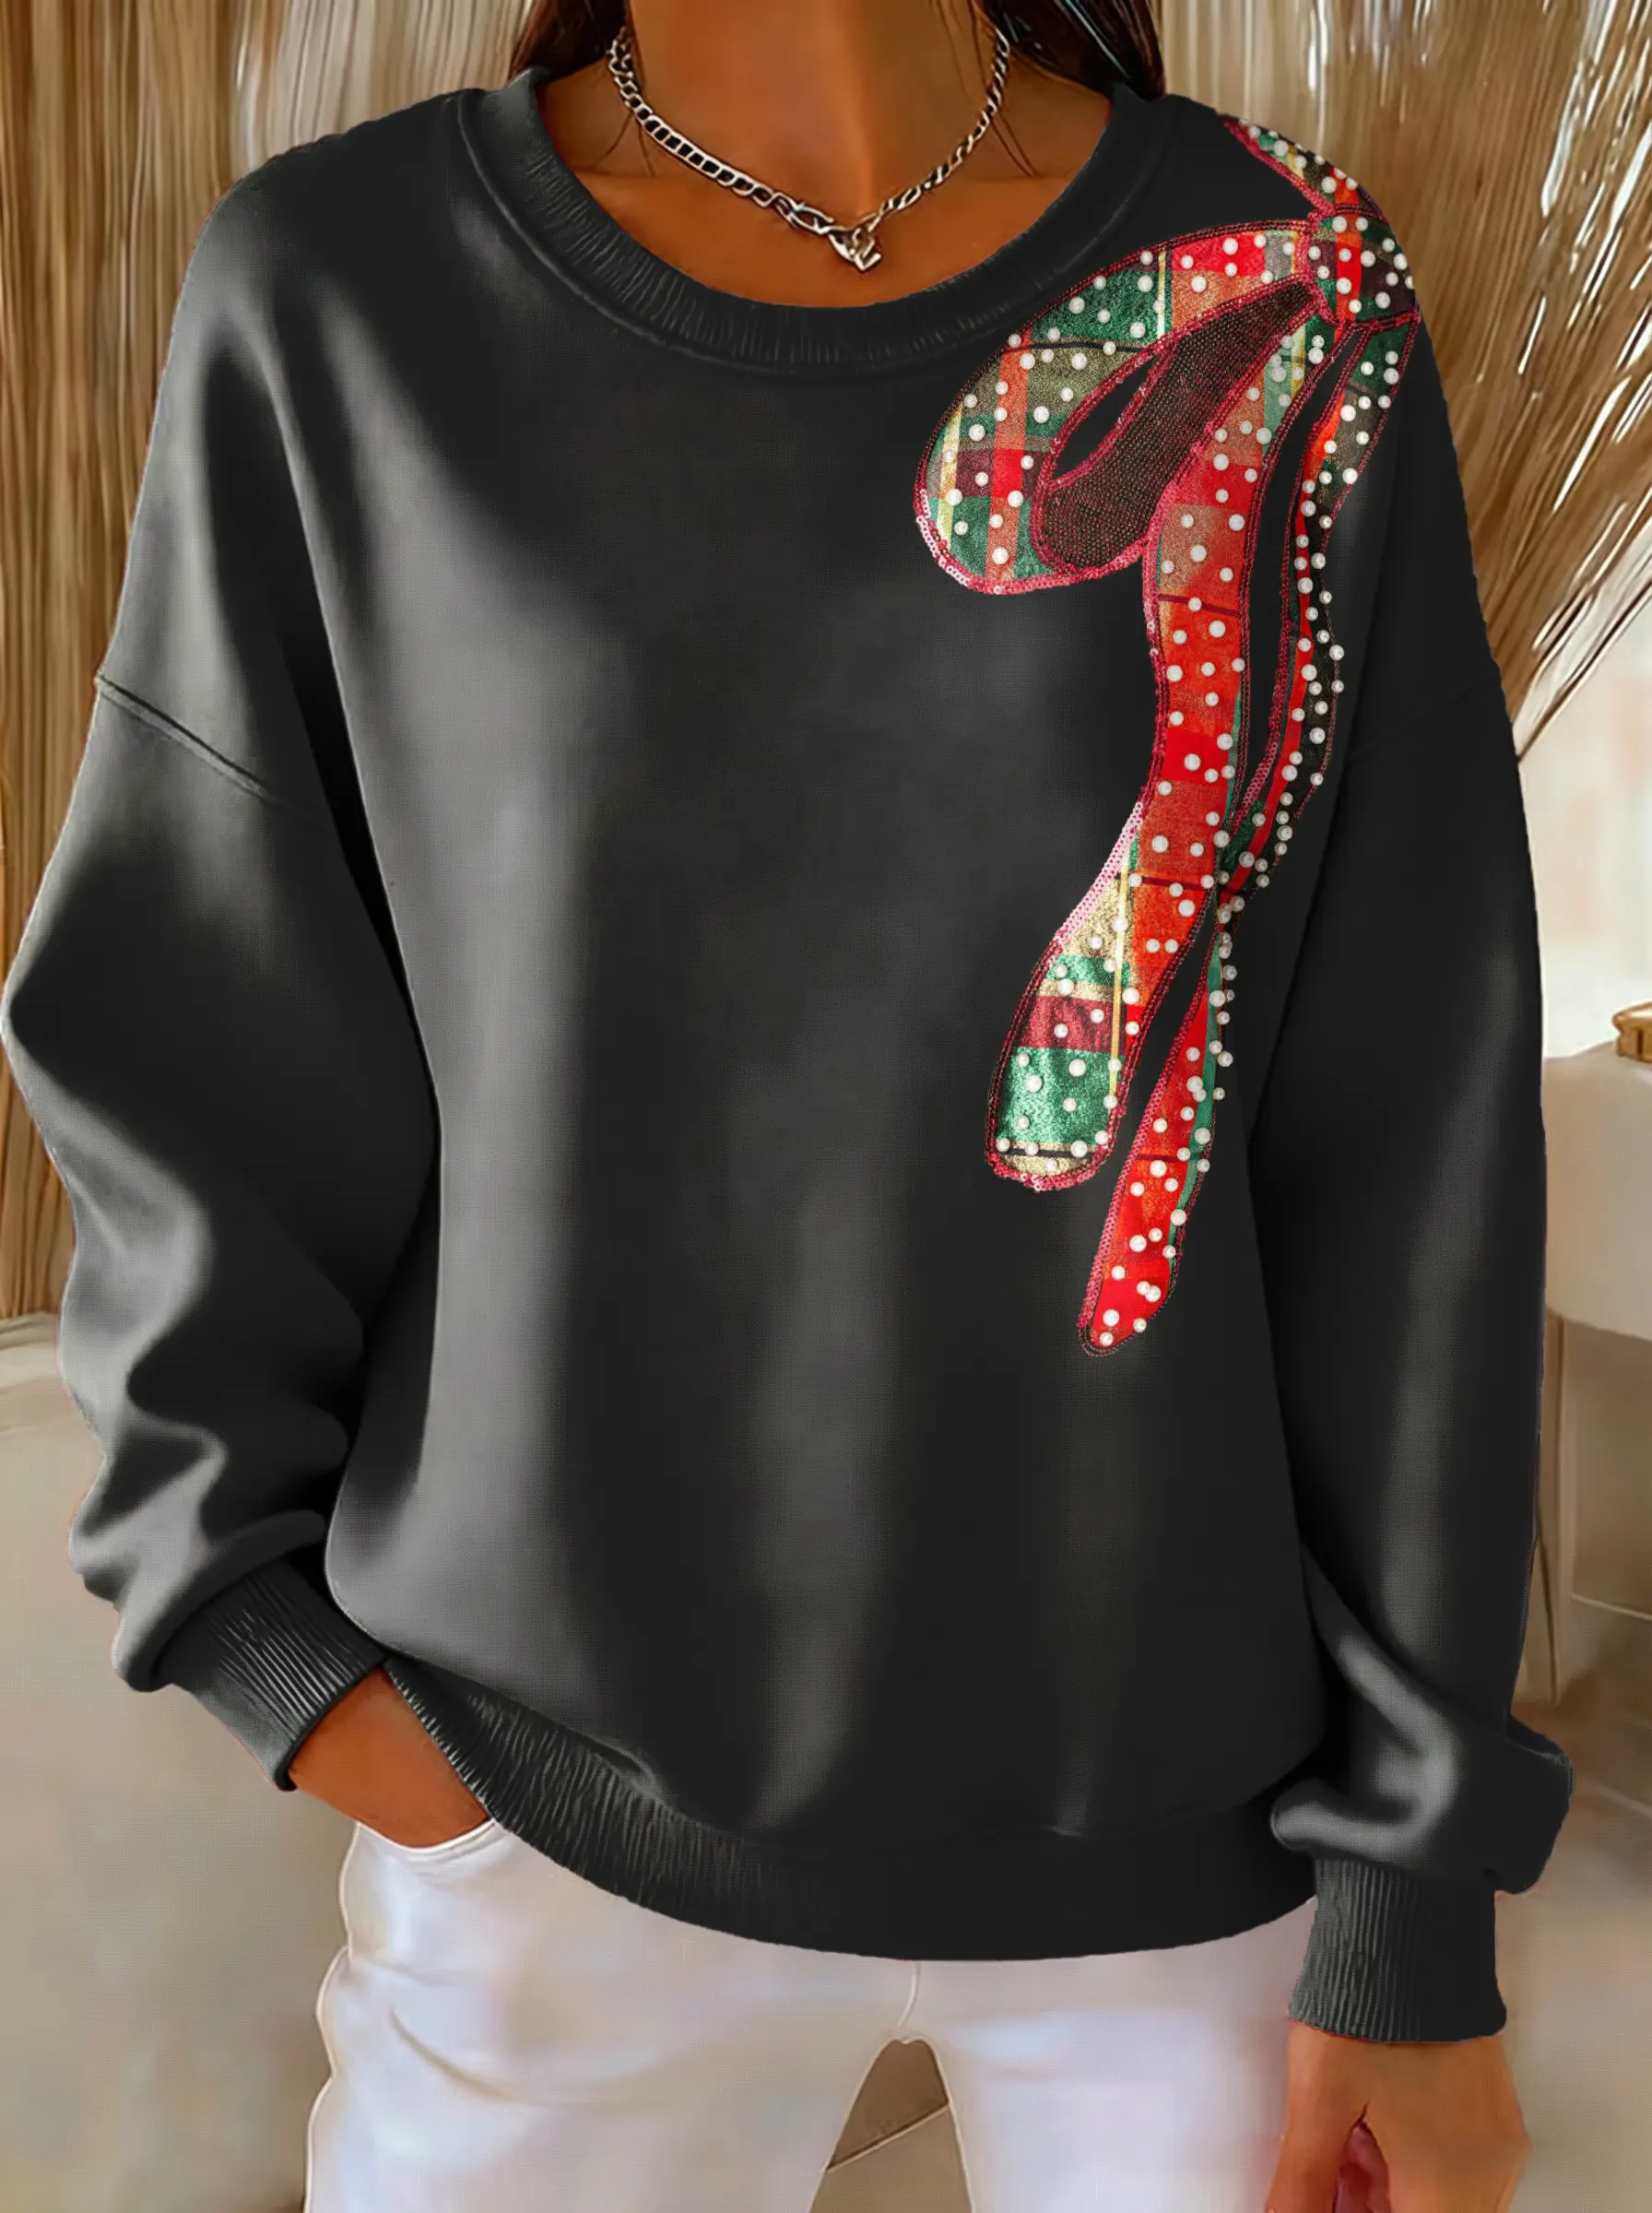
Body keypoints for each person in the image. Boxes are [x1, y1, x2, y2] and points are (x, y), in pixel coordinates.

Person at [0, 0, 1575, 2206]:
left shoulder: (1282, 274)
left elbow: (1402, 1130)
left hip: (1203, 1877)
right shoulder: (344, 294)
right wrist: (272, 1648)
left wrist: (1411, 1900)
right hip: (543, 1847)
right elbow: (200, 1017)